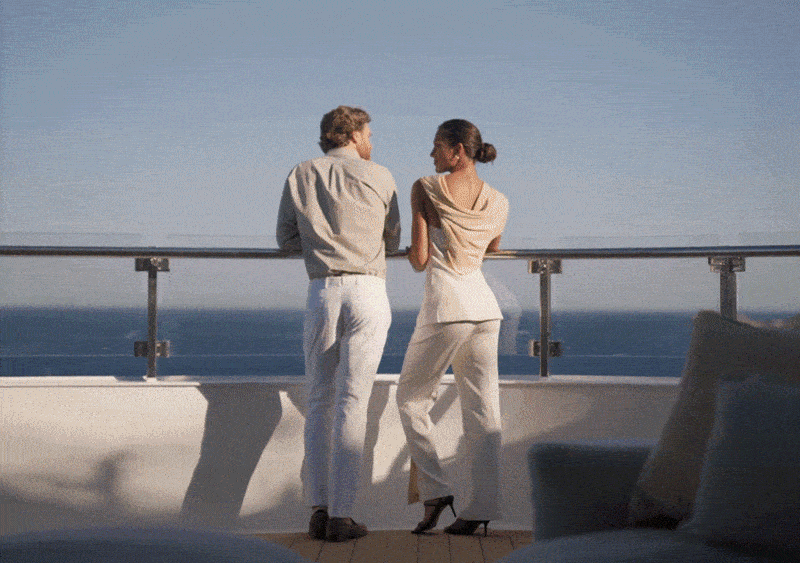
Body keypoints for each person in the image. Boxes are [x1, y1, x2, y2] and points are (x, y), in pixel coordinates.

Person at [276, 106, 401, 542]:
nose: (372, 141)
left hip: (323, 291)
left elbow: (286, 240)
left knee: (319, 401)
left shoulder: (301, 173)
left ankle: (318, 509)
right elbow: (393, 241)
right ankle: (342, 515)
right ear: (354, 134)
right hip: (367, 290)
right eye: (369, 133)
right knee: (353, 402)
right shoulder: (380, 175)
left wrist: (321, 242)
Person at [396, 119, 509, 536]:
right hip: (486, 310)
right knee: (484, 413)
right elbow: (492, 247)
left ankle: (435, 490)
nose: (431, 155)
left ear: (457, 150)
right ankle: (482, 507)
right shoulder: (499, 200)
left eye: (437, 146)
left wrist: (414, 246)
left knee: (410, 399)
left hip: (447, 308)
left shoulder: (426, 187)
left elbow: (420, 259)